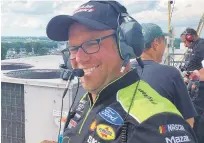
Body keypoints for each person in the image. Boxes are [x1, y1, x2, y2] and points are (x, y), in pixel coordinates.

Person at [46, 1, 197, 143]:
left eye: (91, 43)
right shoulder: (89, 98)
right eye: (73, 48)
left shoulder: (155, 124)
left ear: (125, 45)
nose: (78, 58)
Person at [131, 23, 197, 128]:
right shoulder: (171, 73)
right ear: (156, 43)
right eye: (164, 42)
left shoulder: (123, 71)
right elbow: (189, 121)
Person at [181, 28, 204, 143]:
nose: (185, 45)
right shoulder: (194, 47)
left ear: (191, 37)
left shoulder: (202, 46)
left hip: (199, 87)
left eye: (185, 41)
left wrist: (193, 77)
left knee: (197, 116)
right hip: (191, 84)